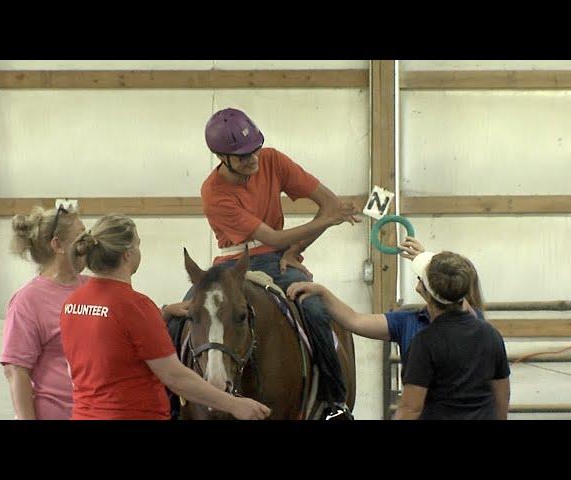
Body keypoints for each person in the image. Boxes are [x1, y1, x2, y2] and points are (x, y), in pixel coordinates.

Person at [186, 107, 360, 419]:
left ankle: (335, 402)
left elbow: (330, 204)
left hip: (278, 259)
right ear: (221, 158)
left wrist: (297, 248)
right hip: (231, 263)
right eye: (242, 157)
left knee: (317, 311)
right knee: (183, 317)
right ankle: (172, 404)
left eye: (255, 150)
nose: (253, 159)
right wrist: (322, 225)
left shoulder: (273, 160)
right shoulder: (213, 192)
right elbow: (274, 236)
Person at [60, 214, 271, 420]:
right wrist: (234, 404)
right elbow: (174, 377)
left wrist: (164, 314)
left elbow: (113, 343)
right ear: (127, 254)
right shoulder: (135, 306)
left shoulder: (72, 303)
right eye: (138, 245)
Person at [287, 237, 486, 365]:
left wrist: (430, 263)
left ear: (423, 288)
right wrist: (322, 292)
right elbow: (354, 320)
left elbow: (410, 408)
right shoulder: (408, 321)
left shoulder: (469, 323)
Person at [393, 251, 510, 420]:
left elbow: (410, 409)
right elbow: (502, 395)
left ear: (424, 292)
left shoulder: (425, 343)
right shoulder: (490, 334)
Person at [0, 205, 88, 420]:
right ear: (58, 245)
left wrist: (165, 313)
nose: (90, 243)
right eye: (81, 236)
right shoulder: (28, 301)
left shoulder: (95, 288)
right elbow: (16, 371)